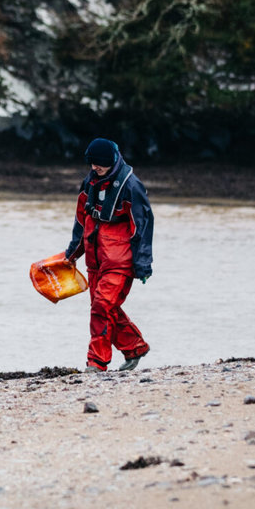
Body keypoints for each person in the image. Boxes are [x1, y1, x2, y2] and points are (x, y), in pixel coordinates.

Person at [65, 137, 154, 372]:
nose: (95, 167)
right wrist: (72, 254)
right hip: (95, 262)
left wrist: (143, 264)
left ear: (112, 160)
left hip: (120, 262)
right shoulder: (89, 183)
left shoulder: (132, 186)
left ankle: (96, 363)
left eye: (100, 163)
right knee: (104, 309)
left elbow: (143, 226)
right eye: (92, 163)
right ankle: (135, 348)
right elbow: (80, 221)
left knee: (102, 307)